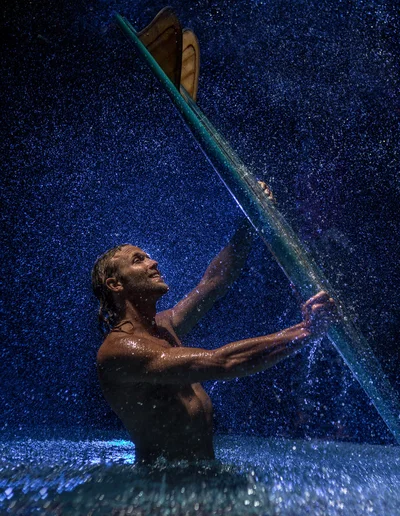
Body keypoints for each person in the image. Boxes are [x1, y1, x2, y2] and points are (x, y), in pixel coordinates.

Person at [92, 184, 338, 463]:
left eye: (148, 256)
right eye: (139, 260)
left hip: (200, 478)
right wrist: (305, 330)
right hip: (164, 490)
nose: (153, 262)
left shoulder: (164, 326)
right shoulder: (120, 350)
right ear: (115, 284)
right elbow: (222, 362)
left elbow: (215, 281)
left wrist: (248, 224)